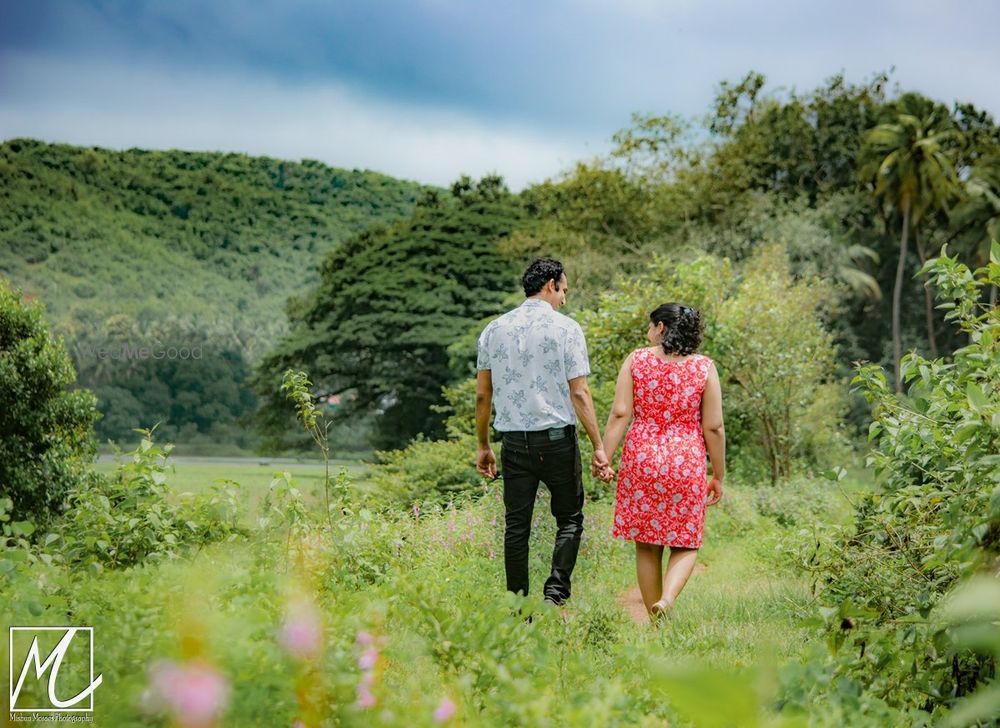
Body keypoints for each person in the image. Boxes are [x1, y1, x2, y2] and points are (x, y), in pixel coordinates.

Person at [475, 258, 610, 606]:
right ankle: (555, 595)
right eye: (564, 289)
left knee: (516, 528)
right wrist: (598, 445)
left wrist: (483, 445)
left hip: (514, 443)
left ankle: (518, 607)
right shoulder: (567, 329)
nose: (564, 298)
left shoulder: (494, 329)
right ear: (551, 284)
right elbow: (579, 392)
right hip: (556, 442)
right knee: (569, 518)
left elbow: (481, 394)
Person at [598, 303, 725, 620]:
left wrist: (603, 456)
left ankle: (656, 623)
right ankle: (667, 600)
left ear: (661, 328)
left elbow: (619, 414)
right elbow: (714, 427)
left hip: (642, 458)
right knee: (686, 541)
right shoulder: (704, 368)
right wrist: (718, 474)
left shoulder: (636, 360)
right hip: (685, 460)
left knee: (647, 545)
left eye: (650, 326)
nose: (647, 332)